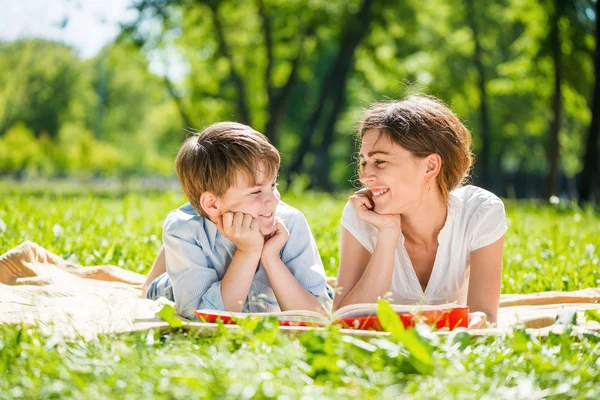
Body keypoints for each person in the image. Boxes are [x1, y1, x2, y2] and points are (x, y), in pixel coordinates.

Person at [334, 96, 507, 329]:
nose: (365, 177)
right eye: (364, 163)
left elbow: (485, 318)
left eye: (380, 162)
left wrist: (479, 323)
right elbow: (343, 321)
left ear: (430, 166)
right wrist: (387, 234)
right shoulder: (360, 213)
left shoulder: (480, 213)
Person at [142, 122, 331, 320]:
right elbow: (203, 320)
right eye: (256, 191)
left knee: (324, 289)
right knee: (150, 289)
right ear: (212, 204)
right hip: (176, 284)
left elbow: (317, 317)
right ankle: (162, 263)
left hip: (263, 292)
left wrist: (270, 257)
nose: (274, 199)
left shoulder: (290, 223)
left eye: (273, 184)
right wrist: (248, 251)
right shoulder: (183, 230)